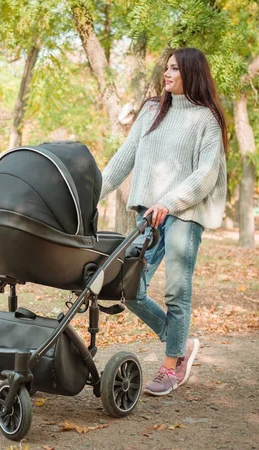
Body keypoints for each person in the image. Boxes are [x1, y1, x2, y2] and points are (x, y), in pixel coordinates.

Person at [100, 47, 228, 396]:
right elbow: (122, 159)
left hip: (184, 214)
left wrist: (169, 202)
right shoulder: (151, 111)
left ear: (192, 73)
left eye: (175, 68)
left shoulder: (206, 119)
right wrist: (86, 193)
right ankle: (181, 344)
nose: (167, 74)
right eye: (166, 68)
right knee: (130, 288)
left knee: (177, 290)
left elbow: (205, 175)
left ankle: (171, 367)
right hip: (148, 216)